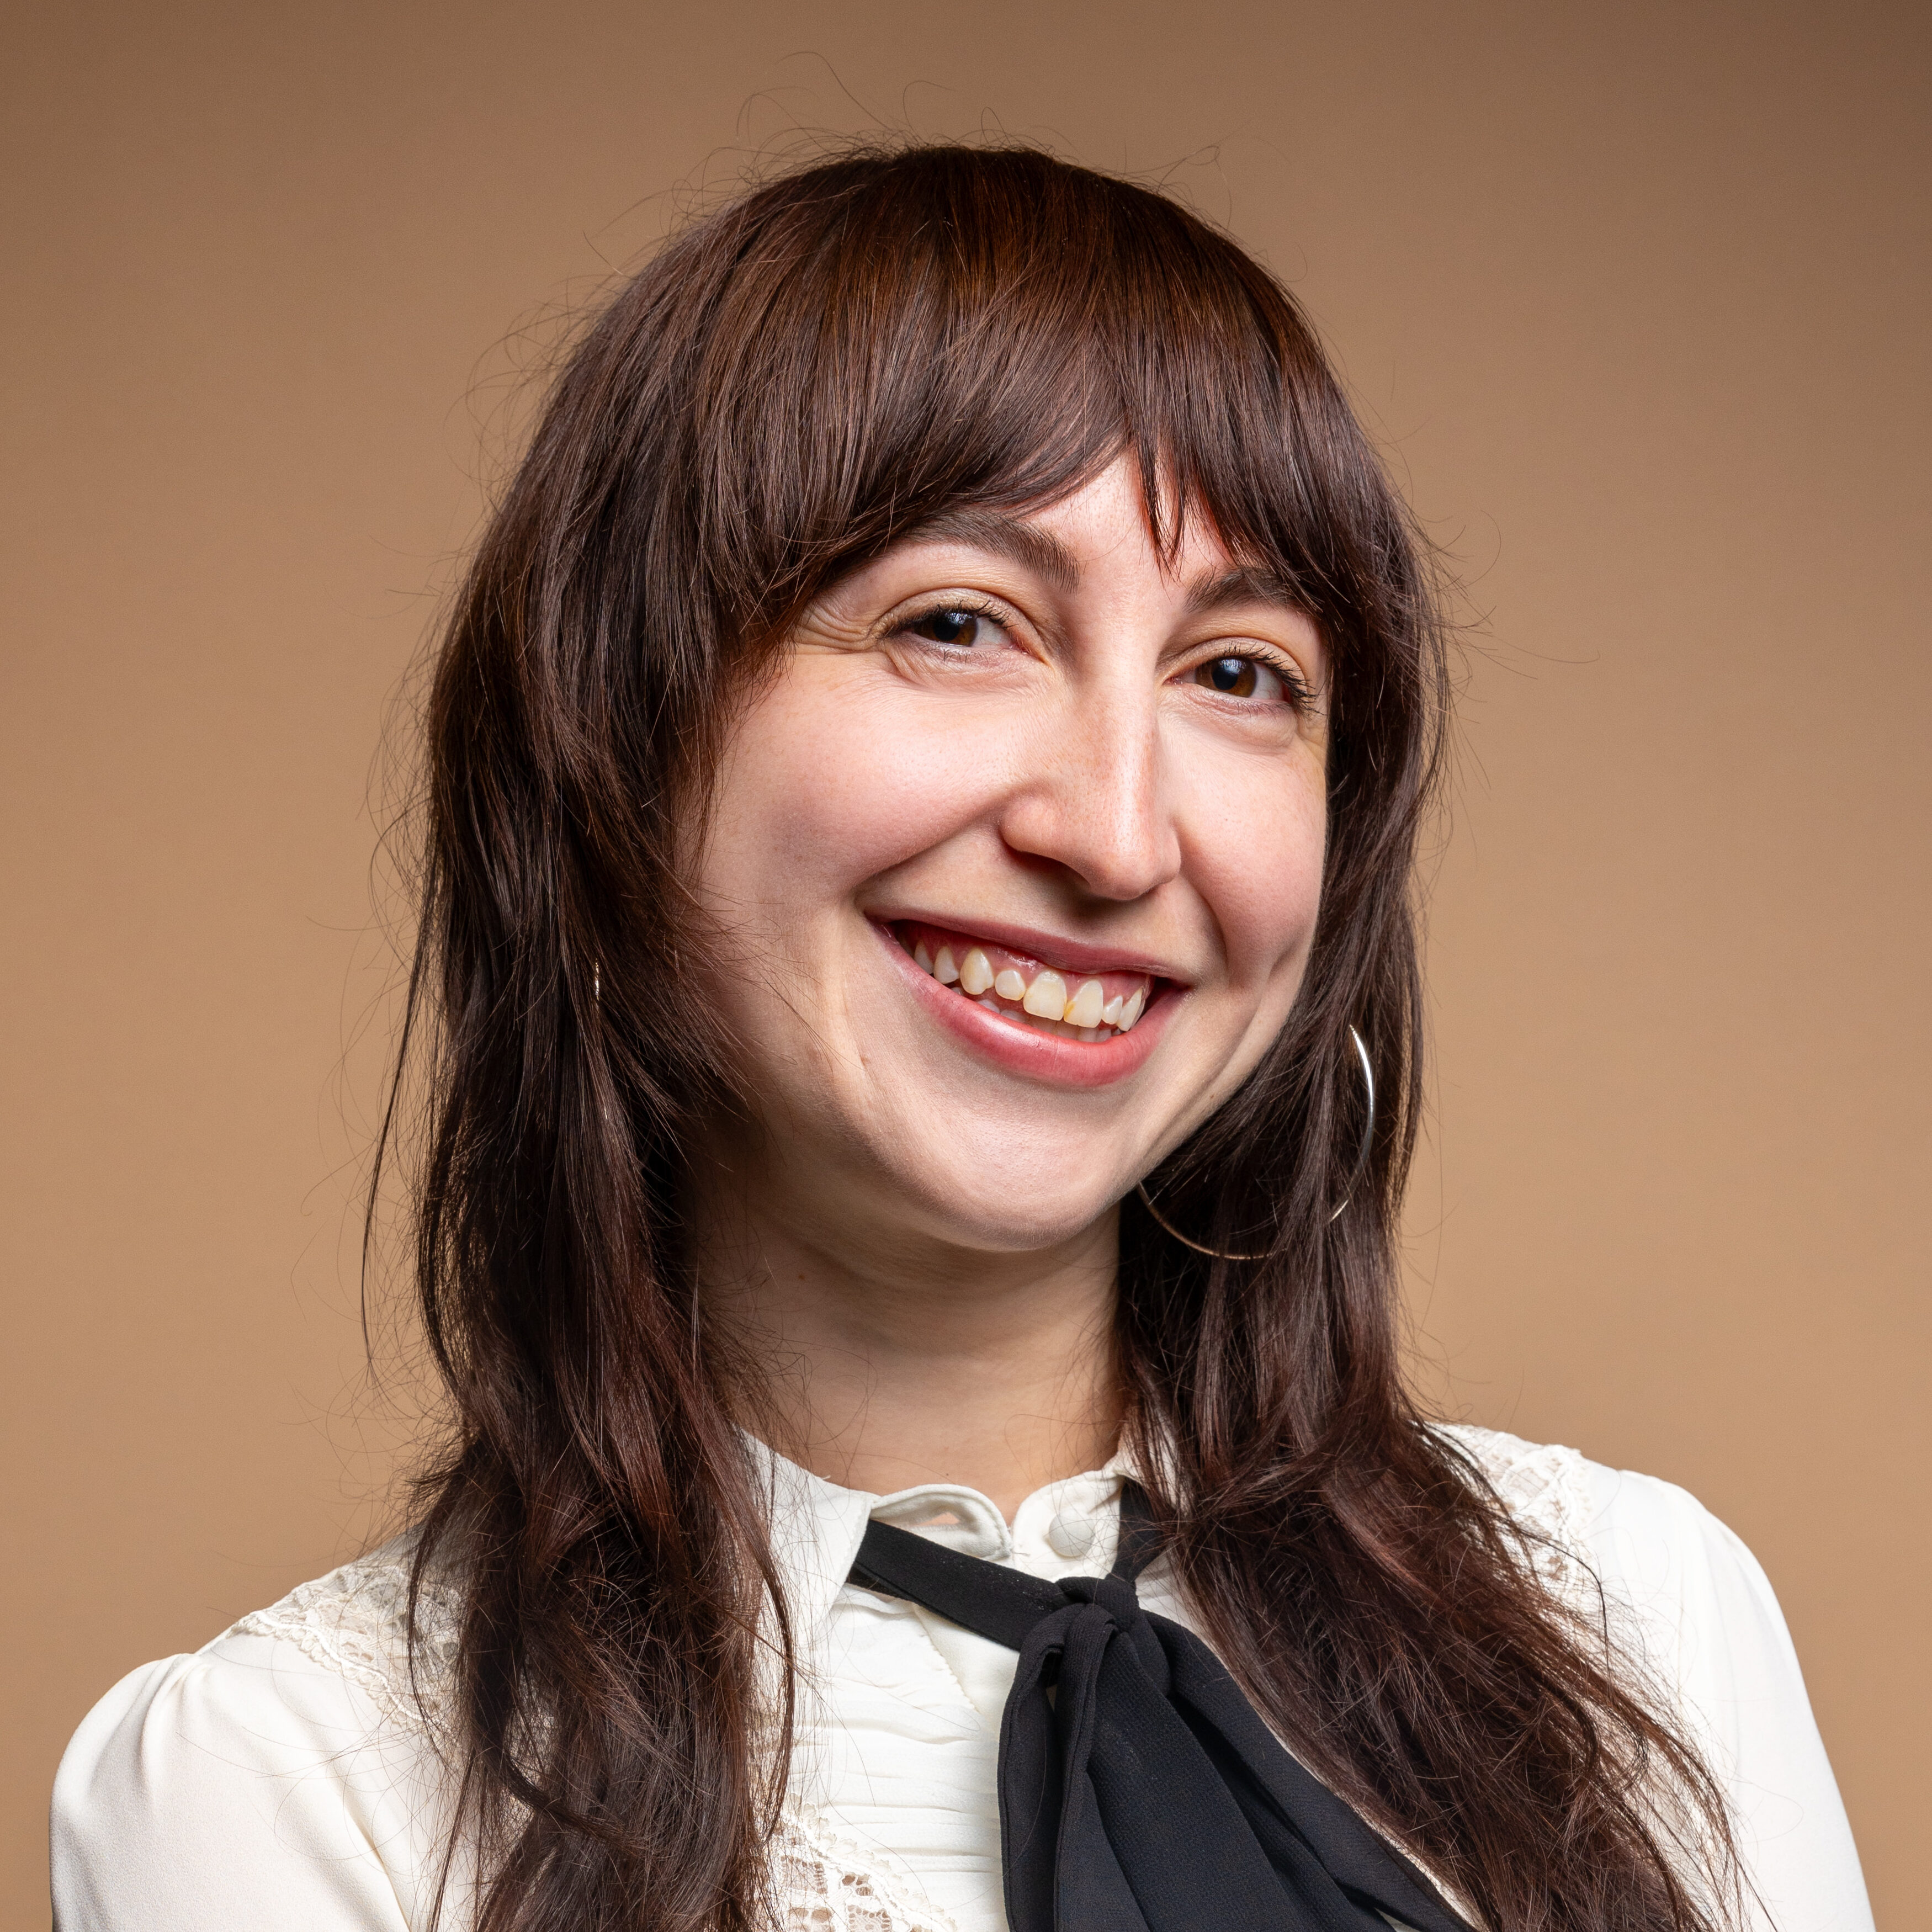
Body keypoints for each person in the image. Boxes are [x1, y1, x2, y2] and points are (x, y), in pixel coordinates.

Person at [50, 144, 1871, 1932]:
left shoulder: (1643, 1626)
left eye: (1238, 672)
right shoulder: (285, 1792)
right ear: (612, 751)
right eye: (956, 623)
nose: (1115, 831)